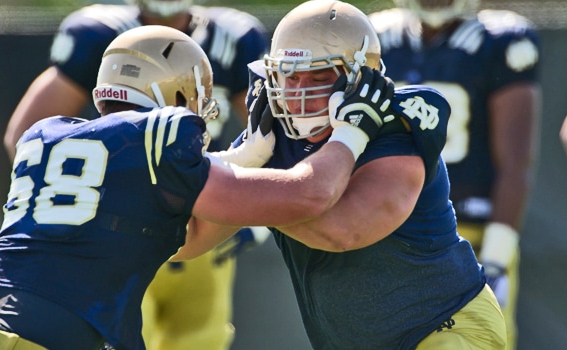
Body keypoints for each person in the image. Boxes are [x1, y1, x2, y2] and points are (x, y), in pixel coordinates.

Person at [0, 25, 381, 350]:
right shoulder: (162, 132)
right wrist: (352, 130)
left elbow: (170, 215)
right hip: (38, 337)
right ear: (179, 98)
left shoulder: (46, 136)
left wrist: (250, 154)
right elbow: (309, 195)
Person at [207, 0, 507, 348]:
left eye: (319, 77)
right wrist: (236, 163)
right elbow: (187, 239)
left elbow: (342, 230)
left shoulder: (397, 128)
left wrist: (231, 186)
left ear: (361, 77)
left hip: (442, 326)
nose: (300, 92)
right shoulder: (268, 139)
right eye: (289, 74)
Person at [1, 1, 269, 348]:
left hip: (199, 220)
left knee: (199, 340)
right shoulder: (99, 33)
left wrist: (244, 206)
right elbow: (25, 135)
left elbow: (266, 129)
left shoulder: (233, 36)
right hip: (123, 229)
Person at [369, 1, 540, 348]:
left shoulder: (501, 40)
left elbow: (516, 163)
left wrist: (495, 258)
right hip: (390, 233)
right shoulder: (376, 36)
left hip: (469, 235)